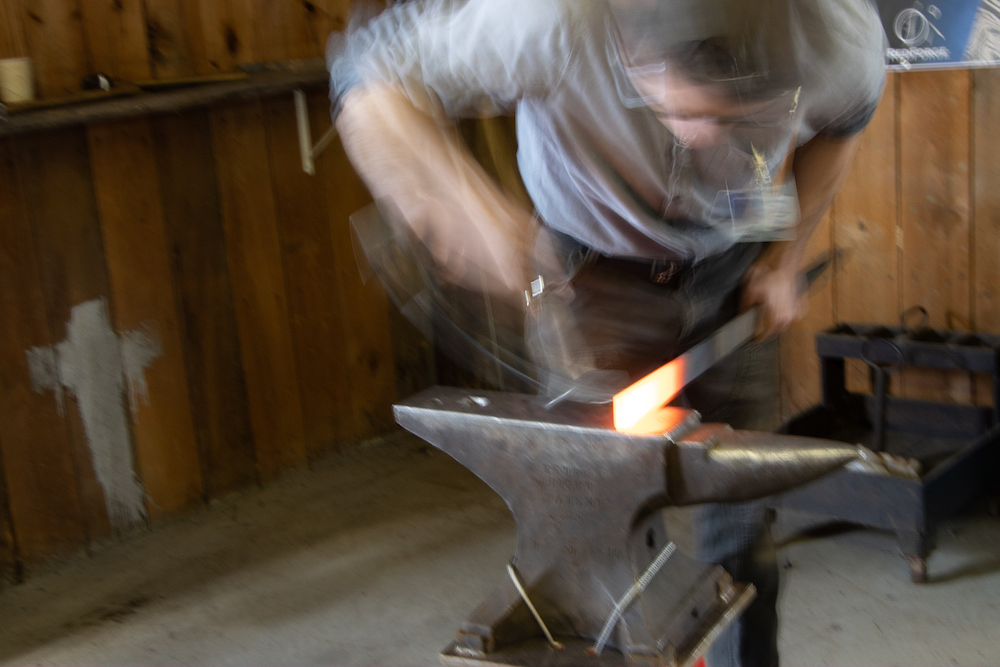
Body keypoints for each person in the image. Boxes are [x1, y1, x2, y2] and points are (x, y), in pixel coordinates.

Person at [329, 1, 886, 665]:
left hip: (732, 277)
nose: (700, 137)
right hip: (586, 289)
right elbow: (366, 76)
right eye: (675, 107)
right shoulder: (552, 17)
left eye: (729, 116)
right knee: (592, 544)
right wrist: (479, 210)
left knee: (741, 534)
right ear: (625, 41)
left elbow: (845, 122)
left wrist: (787, 255)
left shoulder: (832, 29)